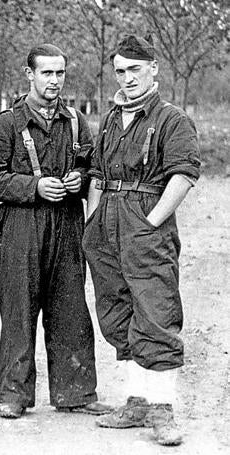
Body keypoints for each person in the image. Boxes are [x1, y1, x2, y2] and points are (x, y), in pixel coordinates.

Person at [0, 44, 111, 420]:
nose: (54, 81)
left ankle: (77, 392)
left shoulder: (75, 122)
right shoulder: (6, 123)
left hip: (67, 223)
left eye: (60, 74)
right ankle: (14, 395)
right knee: (18, 309)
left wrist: (78, 179)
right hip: (21, 223)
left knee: (70, 306)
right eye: (46, 73)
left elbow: (92, 168)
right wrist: (32, 187)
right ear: (29, 75)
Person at [82, 35, 200, 446]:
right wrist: (93, 219)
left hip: (144, 221)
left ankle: (162, 408)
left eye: (135, 69)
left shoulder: (171, 119)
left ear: (153, 69)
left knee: (155, 311)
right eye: (120, 71)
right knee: (117, 311)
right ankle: (136, 400)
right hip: (107, 224)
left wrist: (150, 222)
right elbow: (96, 172)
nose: (128, 78)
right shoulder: (113, 118)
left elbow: (183, 175)